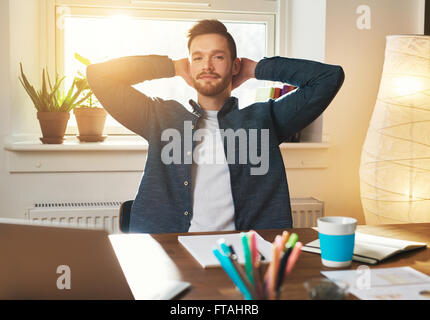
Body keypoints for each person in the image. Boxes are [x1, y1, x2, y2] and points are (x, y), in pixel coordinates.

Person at [86, 19, 344, 234]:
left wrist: (256, 69)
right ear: (189, 66)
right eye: (198, 58)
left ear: (234, 66)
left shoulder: (264, 120)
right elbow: (99, 75)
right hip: (172, 254)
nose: (207, 65)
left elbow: (328, 78)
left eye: (218, 57)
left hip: (245, 259)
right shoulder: (158, 118)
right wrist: (171, 67)